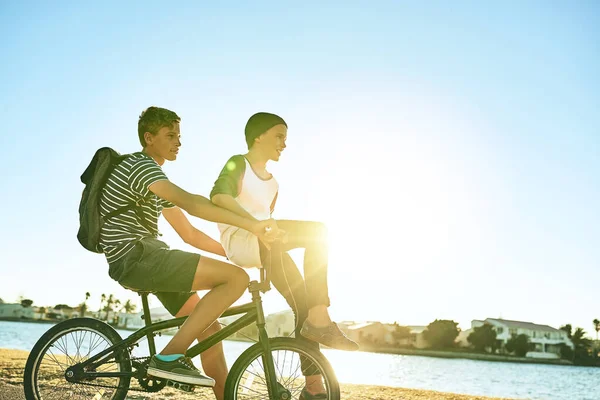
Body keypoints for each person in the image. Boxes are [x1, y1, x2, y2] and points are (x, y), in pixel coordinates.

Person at [99, 106, 279, 400]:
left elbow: (189, 233)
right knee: (235, 279)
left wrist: (232, 251)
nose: (178, 142)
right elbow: (193, 204)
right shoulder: (141, 166)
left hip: (145, 259)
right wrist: (252, 226)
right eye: (170, 135)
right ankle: (169, 357)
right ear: (149, 138)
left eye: (179, 136)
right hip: (138, 257)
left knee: (210, 330)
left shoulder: (153, 183)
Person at [210, 112, 358, 400]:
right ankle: (321, 317)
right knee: (318, 231)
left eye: (286, 139)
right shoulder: (237, 163)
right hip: (242, 240)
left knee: (302, 304)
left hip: (267, 245)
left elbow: (270, 221)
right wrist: (256, 225)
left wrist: (265, 228)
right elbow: (219, 197)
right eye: (279, 136)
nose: (284, 144)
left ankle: (313, 387)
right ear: (258, 136)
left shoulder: (273, 184)